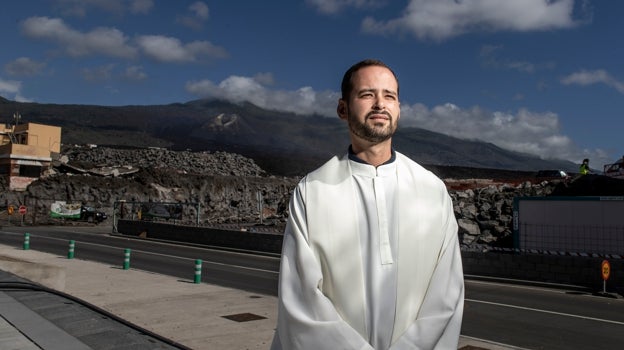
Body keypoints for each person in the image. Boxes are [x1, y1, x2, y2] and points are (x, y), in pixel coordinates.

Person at [271, 59, 464, 349]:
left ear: (399, 108)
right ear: (342, 109)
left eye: (389, 96)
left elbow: (447, 292)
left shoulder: (431, 190)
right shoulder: (313, 191)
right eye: (366, 94)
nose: (379, 104)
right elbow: (301, 297)